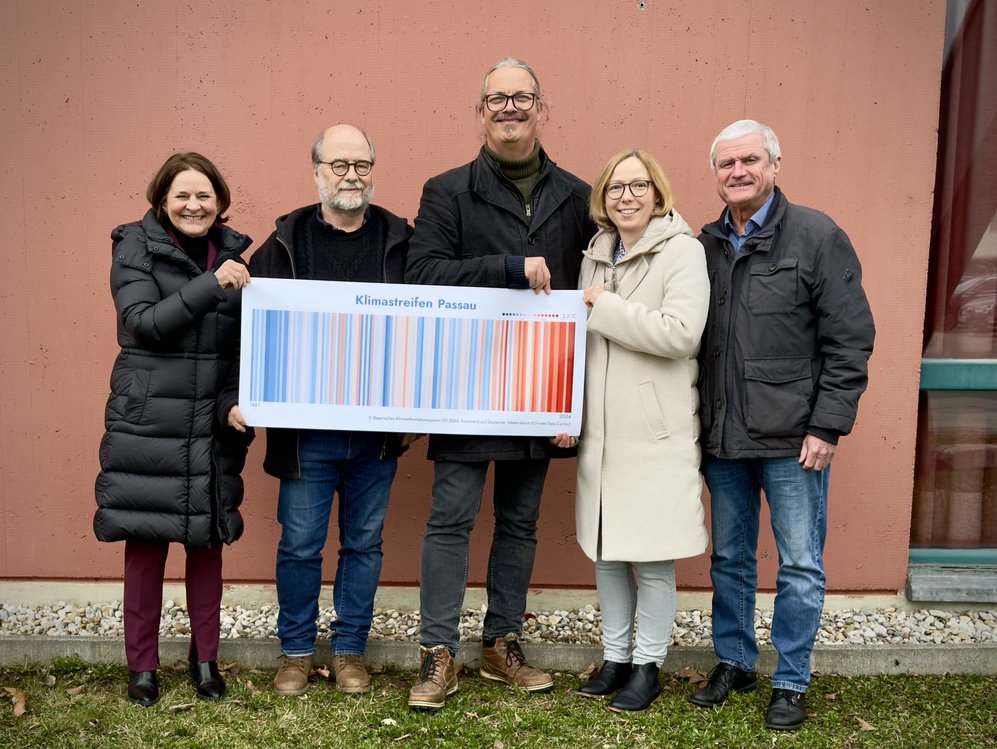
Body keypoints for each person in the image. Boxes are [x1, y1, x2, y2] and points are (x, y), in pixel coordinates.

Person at [404, 57, 594, 710]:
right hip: (467, 386)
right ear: (479, 111)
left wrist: (578, 396)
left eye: (522, 97)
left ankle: (500, 642)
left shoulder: (578, 195)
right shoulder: (446, 191)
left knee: (519, 521)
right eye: (497, 98)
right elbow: (421, 274)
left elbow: (598, 289)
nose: (509, 107)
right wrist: (509, 267)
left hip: (540, 389)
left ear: (543, 108)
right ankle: (437, 651)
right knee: (450, 518)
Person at [691, 120, 875, 730]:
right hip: (724, 437)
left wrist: (828, 427)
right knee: (731, 559)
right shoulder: (706, 243)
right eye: (726, 164)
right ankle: (736, 661)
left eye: (749, 160)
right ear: (715, 174)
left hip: (795, 441)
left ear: (774, 164)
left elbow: (850, 341)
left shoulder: (817, 236)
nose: (737, 172)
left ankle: (791, 680)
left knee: (798, 565)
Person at [231, 124, 412, 696]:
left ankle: (350, 651)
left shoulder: (401, 240)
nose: (351, 175)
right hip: (306, 432)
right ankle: (295, 651)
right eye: (339, 165)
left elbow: (436, 316)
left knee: (364, 543)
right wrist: (242, 394)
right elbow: (248, 328)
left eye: (361, 164)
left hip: (379, 432)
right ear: (316, 173)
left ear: (373, 171)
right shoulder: (283, 243)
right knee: (301, 543)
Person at [94, 152, 253, 706]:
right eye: (182, 195)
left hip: (210, 425)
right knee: (145, 544)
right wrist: (212, 284)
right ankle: (142, 664)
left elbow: (237, 351)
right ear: (162, 200)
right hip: (150, 423)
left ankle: (205, 658)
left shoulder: (233, 254)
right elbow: (143, 324)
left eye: (204, 196)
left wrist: (235, 403)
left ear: (221, 203)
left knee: (207, 542)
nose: (194, 205)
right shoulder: (133, 247)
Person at [573, 149, 709, 712]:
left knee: (651, 559)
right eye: (614, 187)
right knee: (607, 552)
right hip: (600, 437)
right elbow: (579, 345)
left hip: (653, 435)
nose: (625, 196)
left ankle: (648, 666)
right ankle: (615, 657)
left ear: (658, 193)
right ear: (602, 199)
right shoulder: (597, 254)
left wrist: (605, 306)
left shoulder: (684, 252)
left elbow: (681, 334)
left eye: (637, 185)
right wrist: (567, 414)